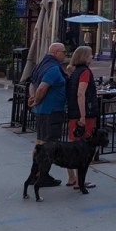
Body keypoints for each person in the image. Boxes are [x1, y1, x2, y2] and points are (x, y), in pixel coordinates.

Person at [28, 42, 68, 186]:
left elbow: (32, 83)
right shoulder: (53, 68)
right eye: (63, 51)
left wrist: (32, 98)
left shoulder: (41, 64)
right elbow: (42, 87)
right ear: (55, 52)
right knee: (47, 145)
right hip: (51, 111)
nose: (65, 54)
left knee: (40, 142)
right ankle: (41, 176)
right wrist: (36, 100)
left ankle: (36, 174)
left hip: (42, 111)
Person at [65, 46, 99, 188]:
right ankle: (80, 181)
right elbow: (81, 94)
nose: (92, 57)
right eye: (90, 54)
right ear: (85, 56)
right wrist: (83, 116)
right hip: (84, 114)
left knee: (72, 147)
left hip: (73, 113)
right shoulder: (85, 72)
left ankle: (72, 178)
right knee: (85, 148)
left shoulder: (73, 72)